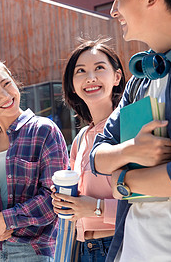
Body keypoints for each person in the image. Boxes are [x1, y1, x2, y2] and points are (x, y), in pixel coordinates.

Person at [89, 0, 171, 261]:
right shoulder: (142, 77)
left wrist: (121, 182)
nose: (114, 10)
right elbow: (96, 156)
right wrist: (132, 150)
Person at [0, 56, 69, 261]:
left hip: (35, 252)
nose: (5, 95)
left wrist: (6, 221)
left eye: (6, 83)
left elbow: (55, 199)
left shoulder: (43, 130)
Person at [51, 39, 126, 261]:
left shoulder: (128, 127)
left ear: (117, 77)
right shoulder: (80, 139)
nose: (90, 77)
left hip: (120, 244)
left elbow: (145, 201)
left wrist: (96, 208)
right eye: (81, 71)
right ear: (73, 85)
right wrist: (64, 202)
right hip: (84, 249)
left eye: (99, 68)